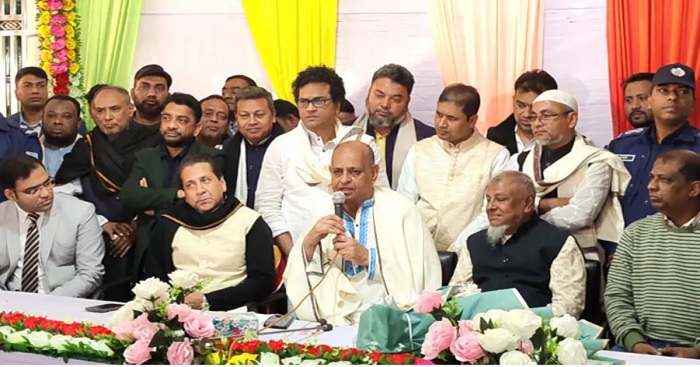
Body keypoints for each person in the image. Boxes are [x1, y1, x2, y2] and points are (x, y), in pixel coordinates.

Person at [455, 90, 630, 264]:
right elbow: (495, 207)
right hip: (518, 250)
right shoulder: (521, 160)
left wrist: (520, 217)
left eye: (546, 116)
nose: (537, 124)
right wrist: (544, 204)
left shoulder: (596, 161)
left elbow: (578, 215)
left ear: (571, 119)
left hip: (574, 252)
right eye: (533, 117)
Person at [284, 141, 441, 325]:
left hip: (388, 319)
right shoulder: (323, 211)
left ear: (373, 173)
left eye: (354, 172)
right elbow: (298, 275)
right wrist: (310, 241)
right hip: (335, 321)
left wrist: (369, 259)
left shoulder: (401, 210)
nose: (344, 180)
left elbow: (422, 273)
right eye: (337, 172)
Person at [256, 66, 388, 257]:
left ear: (337, 105)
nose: (310, 108)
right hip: (300, 253)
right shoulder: (281, 146)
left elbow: (381, 198)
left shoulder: (361, 144)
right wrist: (296, 254)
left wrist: (365, 253)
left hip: (355, 252)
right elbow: (268, 206)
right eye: (304, 101)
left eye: (318, 101)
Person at [55, 86, 162, 300]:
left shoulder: (155, 142)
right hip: (96, 232)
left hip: (147, 230)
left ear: (130, 109)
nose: (107, 117)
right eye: (100, 111)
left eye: (114, 109)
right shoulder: (87, 146)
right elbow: (62, 193)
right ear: (92, 114)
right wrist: (103, 223)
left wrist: (135, 227)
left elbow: (162, 192)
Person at [145, 153, 275, 311]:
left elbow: (262, 283)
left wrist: (208, 300)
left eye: (205, 180)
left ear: (222, 183)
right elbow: (154, 277)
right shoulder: (169, 224)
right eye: (190, 185)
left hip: (233, 311)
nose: (200, 191)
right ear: (183, 194)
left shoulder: (249, 222)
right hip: (178, 312)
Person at [450, 171, 586, 317]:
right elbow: (455, 296)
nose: (490, 207)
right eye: (488, 200)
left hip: (535, 331)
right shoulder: (474, 243)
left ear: (527, 203)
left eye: (500, 199)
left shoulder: (558, 243)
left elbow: (568, 307)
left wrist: (519, 322)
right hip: (475, 329)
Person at [605, 150, 700, 358]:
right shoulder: (636, 233)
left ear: (694, 188)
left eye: (664, 180)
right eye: (651, 178)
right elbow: (616, 296)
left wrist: (696, 352)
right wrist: (634, 342)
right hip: (639, 347)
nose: (651, 186)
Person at [120, 93, 224, 280]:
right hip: (148, 249)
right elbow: (129, 195)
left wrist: (154, 206)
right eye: (167, 118)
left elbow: (205, 206)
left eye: (182, 120)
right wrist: (177, 195)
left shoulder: (210, 158)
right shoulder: (145, 157)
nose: (172, 125)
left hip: (193, 249)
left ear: (196, 128)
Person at [397, 84, 510, 251]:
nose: (442, 123)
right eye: (439, 115)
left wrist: (459, 247)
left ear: (472, 120)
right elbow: (404, 201)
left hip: (469, 251)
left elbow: (490, 212)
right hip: (416, 247)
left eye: (451, 118)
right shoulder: (420, 150)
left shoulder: (496, 155)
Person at [608, 63, 699, 226]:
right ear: (649, 100)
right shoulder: (622, 145)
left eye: (682, 91)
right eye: (664, 90)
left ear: (693, 103)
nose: (672, 97)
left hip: (682, 246)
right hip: (621, 246)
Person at [0, 155, 104, 297]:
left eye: (48, 183)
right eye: (33, 190)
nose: (46, 193)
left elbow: (91, 274)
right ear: (11, 195)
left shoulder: (80, 212)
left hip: (60, 299)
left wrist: (49, 302)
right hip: (8, 301)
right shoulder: (2, 215)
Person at [348, 64, 435, 189]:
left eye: (395, 99)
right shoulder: (345, 133)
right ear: (368, 94)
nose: (385, 104)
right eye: (379, 95)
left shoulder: (426, 139)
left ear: (407, 102)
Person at [222, 86, 285, 208]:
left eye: (259, 115)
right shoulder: (227, 149)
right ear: (236, 119)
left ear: (273, 116)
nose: (252, 122)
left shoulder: (288, 147)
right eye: (244, 116)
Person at [486, 69, 558, 155]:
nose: (526, 114)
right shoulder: (493, 137)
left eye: (533, 107)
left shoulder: (561, 140)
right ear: (514, 99)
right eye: (520, 105)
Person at [40, 96, 82, 176]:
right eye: (51, 116)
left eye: (66, 116)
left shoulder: (90, 152)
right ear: (42, 119)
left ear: (78, 122)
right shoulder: (28, 149)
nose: (57, 121)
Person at [8, 67, 49, 136]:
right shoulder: (6, 125)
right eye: (27, 86)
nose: (35, 91)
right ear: (16, 93)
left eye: (41, 85)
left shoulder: (59, 123)